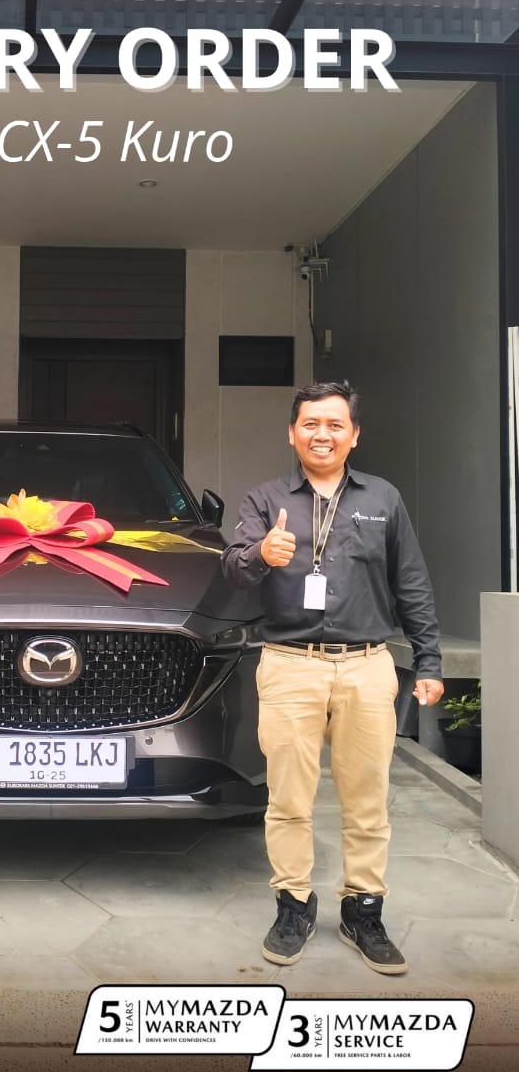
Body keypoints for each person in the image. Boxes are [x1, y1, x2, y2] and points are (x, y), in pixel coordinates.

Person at [221, 380, 443, 975]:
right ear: (292, 434)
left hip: (367, 666)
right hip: (289, 664)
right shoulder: (267, 498)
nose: (323, 434)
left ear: (354, 435)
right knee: (288, 800)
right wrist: (260, 555)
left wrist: (429, 660)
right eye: (311, 424)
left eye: (335, 424)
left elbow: (411, 582)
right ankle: (293, 905)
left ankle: (363, 911)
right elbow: (233, 569)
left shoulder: (384, 498)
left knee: (367, 801)